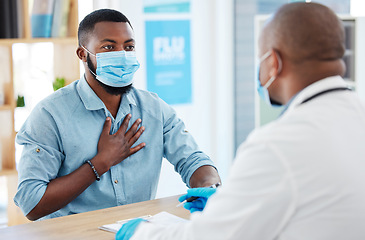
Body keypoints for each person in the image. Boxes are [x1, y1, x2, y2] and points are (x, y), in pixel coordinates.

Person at [116, 2, 365, 240]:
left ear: (273, 62)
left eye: (260, 57)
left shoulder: (277, 145)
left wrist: (141, 234)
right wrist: (232, 201)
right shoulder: (355, 116)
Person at [14, 9, 221, 221]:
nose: (122, 55)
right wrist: (99, 163)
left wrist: (210, 188)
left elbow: (193, 160)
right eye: (109, 47)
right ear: (82, 54)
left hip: (138, 231)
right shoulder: (50, 114)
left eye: (129, 47)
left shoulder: (154, 108)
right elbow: (32, 204)